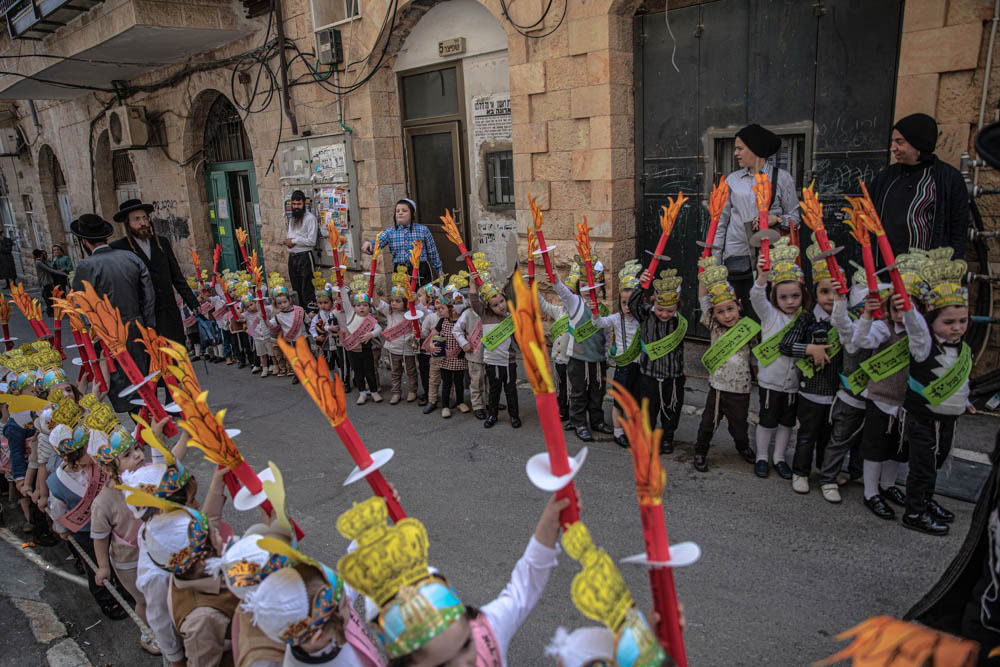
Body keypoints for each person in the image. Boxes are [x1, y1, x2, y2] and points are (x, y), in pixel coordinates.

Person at [713, 123, 801, 318]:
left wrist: (776, 218)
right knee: (738, 312)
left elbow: (796, 218)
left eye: (740, 148)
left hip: (770, 258)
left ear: (755, 149)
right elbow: (721, 222)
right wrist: (715, 260)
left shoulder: (782, 178)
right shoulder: (732, 181)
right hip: (737, 256)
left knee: (765, 312)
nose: (736, 153)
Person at [71, 213, 155, 413]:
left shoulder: (86, 266)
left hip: (110, 335)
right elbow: (149, 296)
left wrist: (92, 335)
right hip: (138, 328)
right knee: (141, 382)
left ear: (84, 242)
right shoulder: (130, 257)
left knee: (124, 387)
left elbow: (80, 305)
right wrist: (148, 326)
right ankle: (146, 425)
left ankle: (142, 430)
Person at [779, 240, 846, 495]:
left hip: (837, 392)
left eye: (835, 293)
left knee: (830, 436)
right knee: (807, 435)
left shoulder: (845, 320)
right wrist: (809, 349)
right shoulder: (806, 318)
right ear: (815, 293)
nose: (830, 298)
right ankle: (800, 471)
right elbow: (786, 345)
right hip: (810, 391)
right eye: (825, 292)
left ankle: (827, 471)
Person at [867, 113, 970, 260]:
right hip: (884, 272)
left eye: (899, 142)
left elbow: (958, 231)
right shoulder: (885, 177)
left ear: (918, 143)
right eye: (892, 142)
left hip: (924, 273)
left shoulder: (948, 179)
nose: (893, 148)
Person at [749, 238, 804, 479]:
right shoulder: (769, 315)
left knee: (787, 423)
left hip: (793, 383)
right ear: (775, 297)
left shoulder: (804, 317)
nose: (790, 302)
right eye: (784, 297)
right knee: (767, 420)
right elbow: (756, 296)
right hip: (770, 381)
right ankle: (762, 456)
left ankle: (779, 458)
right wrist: (762, 277)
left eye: (795, 296)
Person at [109, 199, 199, 345]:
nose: (143, 223)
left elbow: (177, 276)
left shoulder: (161, 243)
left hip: (168, 311)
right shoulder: (119, 248)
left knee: (176, 356)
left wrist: (192, 302)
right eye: (137, 219)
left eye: (145, 218)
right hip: (143, 316)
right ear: (127, 223)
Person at [694, 257, 755, 472]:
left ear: (738, 306)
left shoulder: (748, 328)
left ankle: (743, 447)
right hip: (718, 387)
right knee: (708, 424)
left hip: (740, 388)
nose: (726, 315)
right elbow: (703, 299)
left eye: (730, 309)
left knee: (739, 426)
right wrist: (703, 274)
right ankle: (700, 452)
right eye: (720, 312)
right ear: (714, 314)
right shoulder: (714, 328)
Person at [362, 199, 443, 286]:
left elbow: (432, 252)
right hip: (400, 271)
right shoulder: (390, 232)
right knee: (402, 297)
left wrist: (439, 270)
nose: (400, 213)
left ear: (412, 214)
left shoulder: (423, 230)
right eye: (397, 211)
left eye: (404, 211)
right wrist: (369, 245)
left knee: (422, 296)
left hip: (421, 271)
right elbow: (377, 243)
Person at [283, 190, 318, 312]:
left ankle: (311, 318)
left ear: (304, 203)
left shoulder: (310, 218)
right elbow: (290, 236)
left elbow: (311, 241)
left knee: (307, 290)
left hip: (305, 257)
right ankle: (300, 317)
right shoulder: (292, 218)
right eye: (294, 204)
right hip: (292, 257)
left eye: (299, 204)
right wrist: (289, 242)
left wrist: (294, 241)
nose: (296, 207)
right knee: (296, 290)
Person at [33, 248, 66, 316]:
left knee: (50, 296)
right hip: (46, 281)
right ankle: (50, 312)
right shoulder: (39, 262)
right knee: (48, 297)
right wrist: (62, 273)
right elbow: (49, 270)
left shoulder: (41, 261)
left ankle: (52, 311)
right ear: (40, 254)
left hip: (47, 281)